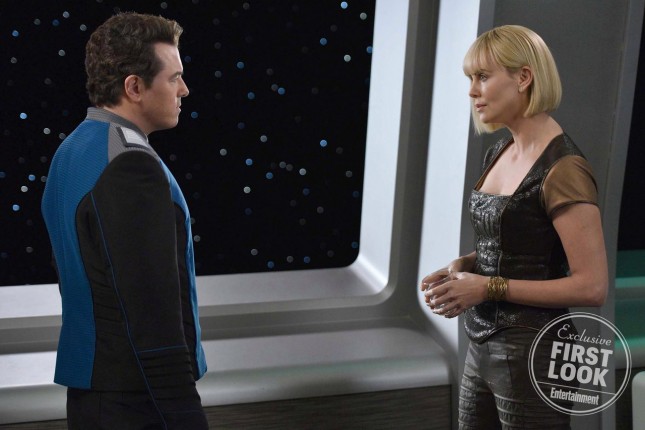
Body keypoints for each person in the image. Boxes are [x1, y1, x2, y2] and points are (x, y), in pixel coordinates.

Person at [420, 25, 608, 429]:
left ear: (523, 78)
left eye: (482, 77)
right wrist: (466, 265)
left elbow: (592, 286)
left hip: (536, 351)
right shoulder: (499, 150)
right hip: (482, 345)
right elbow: (519, 243)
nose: (472, 91)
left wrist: (487, 287)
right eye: (470, 79)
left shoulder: (565, 169)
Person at [41, 12, 209, 429]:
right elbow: (152, 312)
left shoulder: (72, 150)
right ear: (134, 87)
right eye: (174, 78)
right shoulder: (131, 164)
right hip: (137, 402)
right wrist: (186, 415)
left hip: (93, 395)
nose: (184, 90)